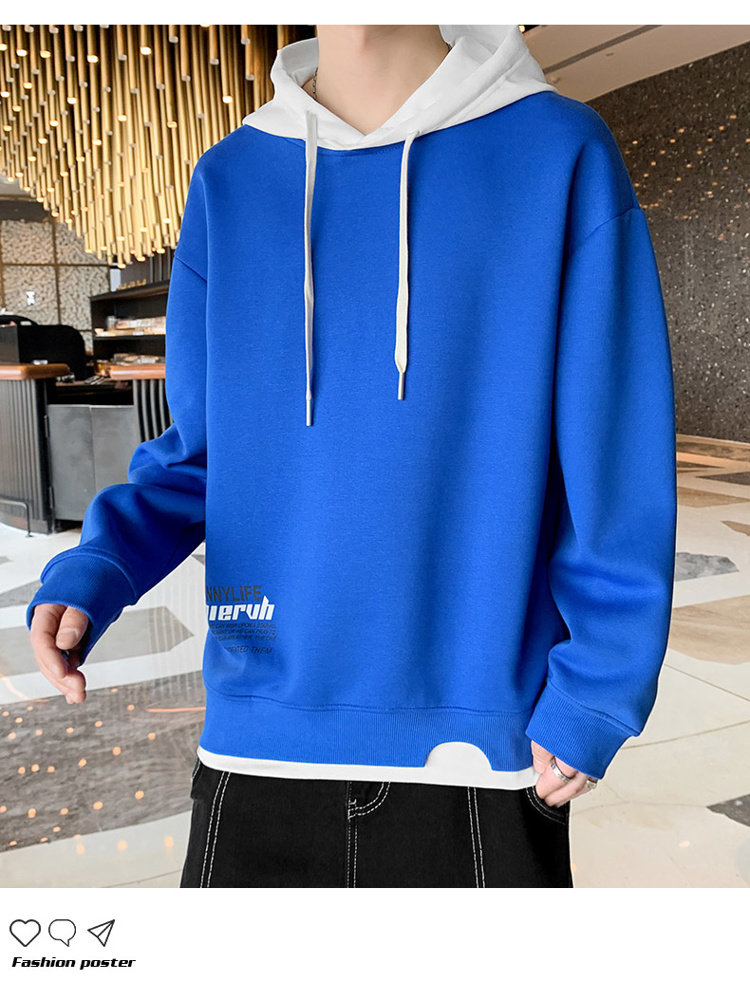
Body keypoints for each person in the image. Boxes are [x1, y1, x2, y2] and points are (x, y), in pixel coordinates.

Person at [26, 24, 677, 888]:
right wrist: (101, 563)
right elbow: (201, 452)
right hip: (257, 738)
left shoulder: (559, 150)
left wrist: (600, 681)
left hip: (477, 752)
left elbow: (615, 456)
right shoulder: (230, 178)